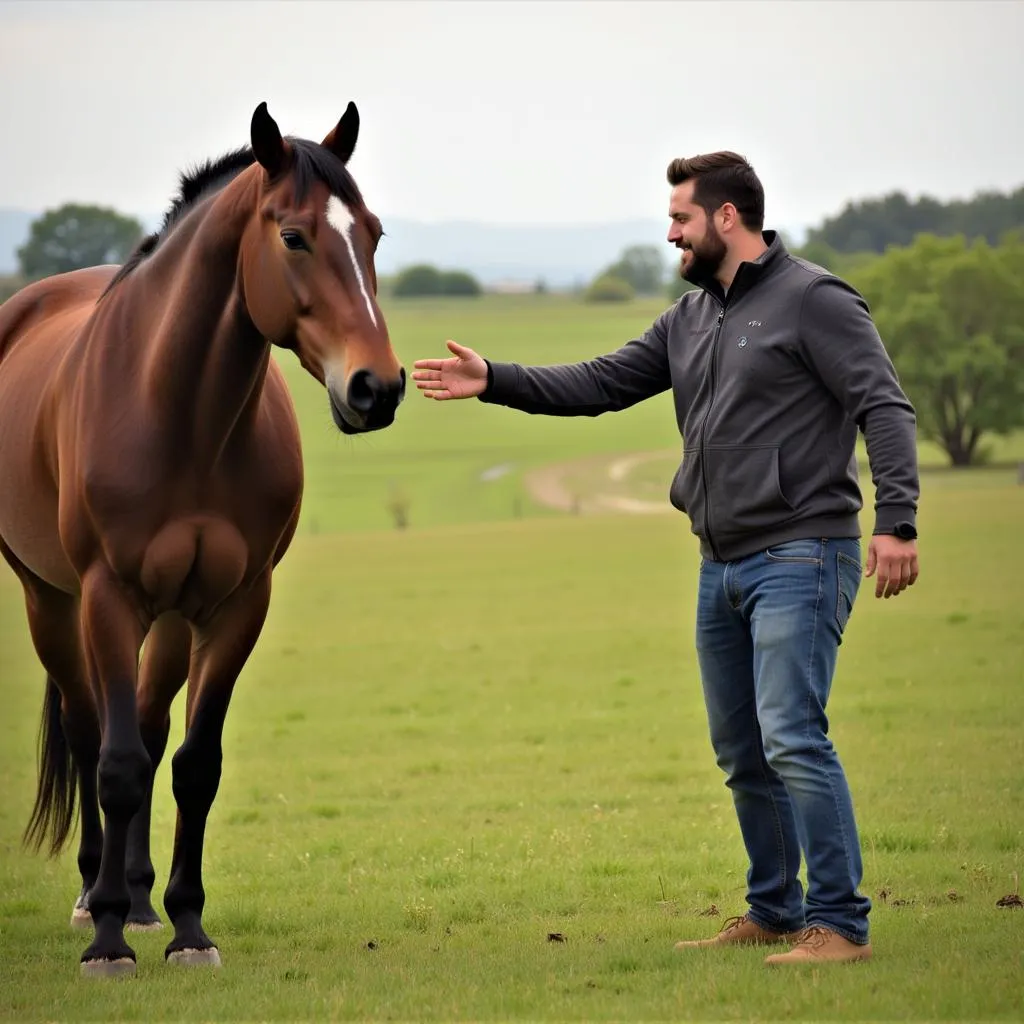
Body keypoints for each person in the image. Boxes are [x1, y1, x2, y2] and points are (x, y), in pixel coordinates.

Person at [411, 151, 920, 965]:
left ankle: (841, 925)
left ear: (727, 218)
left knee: (791, 735)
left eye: (681, 218)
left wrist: (897, 519)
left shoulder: (813, 300)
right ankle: (774, 908)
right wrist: (495, 378)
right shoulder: (690, 320)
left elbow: (882, 405)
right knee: (741, 749)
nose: (671, 233)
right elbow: (602, 381)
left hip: (803, 550)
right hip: (720, 563)